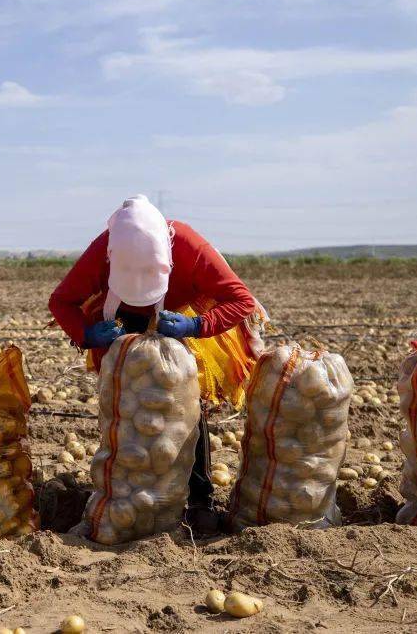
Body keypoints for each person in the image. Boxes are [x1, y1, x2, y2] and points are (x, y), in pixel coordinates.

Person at [48, 194, 262, 532]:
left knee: (187, 408)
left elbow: (241, 300)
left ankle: (199, 498)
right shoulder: (104, 248)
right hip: (117, 321)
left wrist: (196, 326)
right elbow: (61, 301)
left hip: (178, 319)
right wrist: (88, 334)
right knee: (125, 406)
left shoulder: (189, 247)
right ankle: (124, 494)